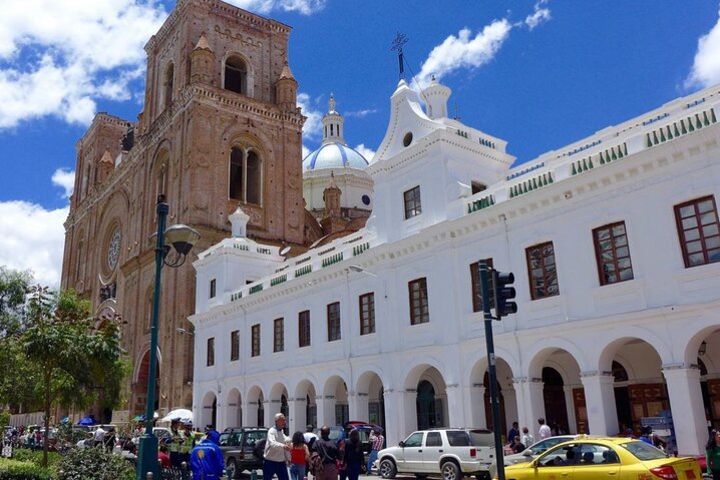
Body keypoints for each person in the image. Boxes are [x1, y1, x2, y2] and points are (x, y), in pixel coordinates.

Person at [263, 413, 291, 480]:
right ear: (277, 421)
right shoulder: (271, 431)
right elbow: (272, 443)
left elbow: (285, 440)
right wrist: (283, 446)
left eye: (284, 420)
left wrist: (289, 458)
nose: (284, 422)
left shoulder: (281, 431)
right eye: (282, 420)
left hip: (281, 461)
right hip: (270, 461)